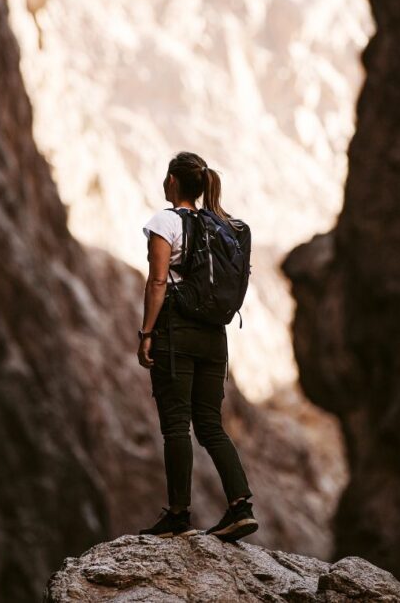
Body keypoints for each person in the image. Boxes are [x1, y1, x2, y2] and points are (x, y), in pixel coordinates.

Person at [136, 151, 258, 541]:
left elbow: (157, 283)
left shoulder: (165, 222)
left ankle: (177, 515)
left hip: (176, 332)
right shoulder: (221, 225)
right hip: (214, 337)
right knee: (210, 426)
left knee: (176, 426)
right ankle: (241, 507)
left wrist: (145, 334)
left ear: (173, 181)